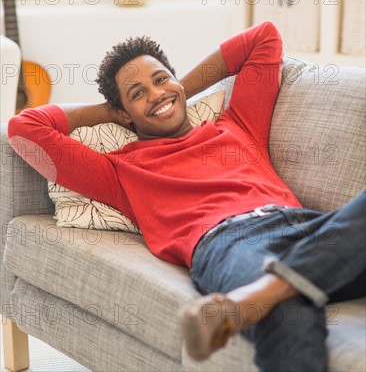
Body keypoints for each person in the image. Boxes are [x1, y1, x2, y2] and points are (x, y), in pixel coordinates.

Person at [8, 21, 365, 372]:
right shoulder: (120, 172)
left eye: (161, 79)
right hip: (232, 244)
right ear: (123, 114)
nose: (156, 94)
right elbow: (25, 128)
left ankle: (258, 295)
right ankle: (273, 293)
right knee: (288, 314)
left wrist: (177, 89)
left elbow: (263, 37)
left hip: (309, 229)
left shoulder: (237, 124)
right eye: (137, 93)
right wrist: (111, 112)